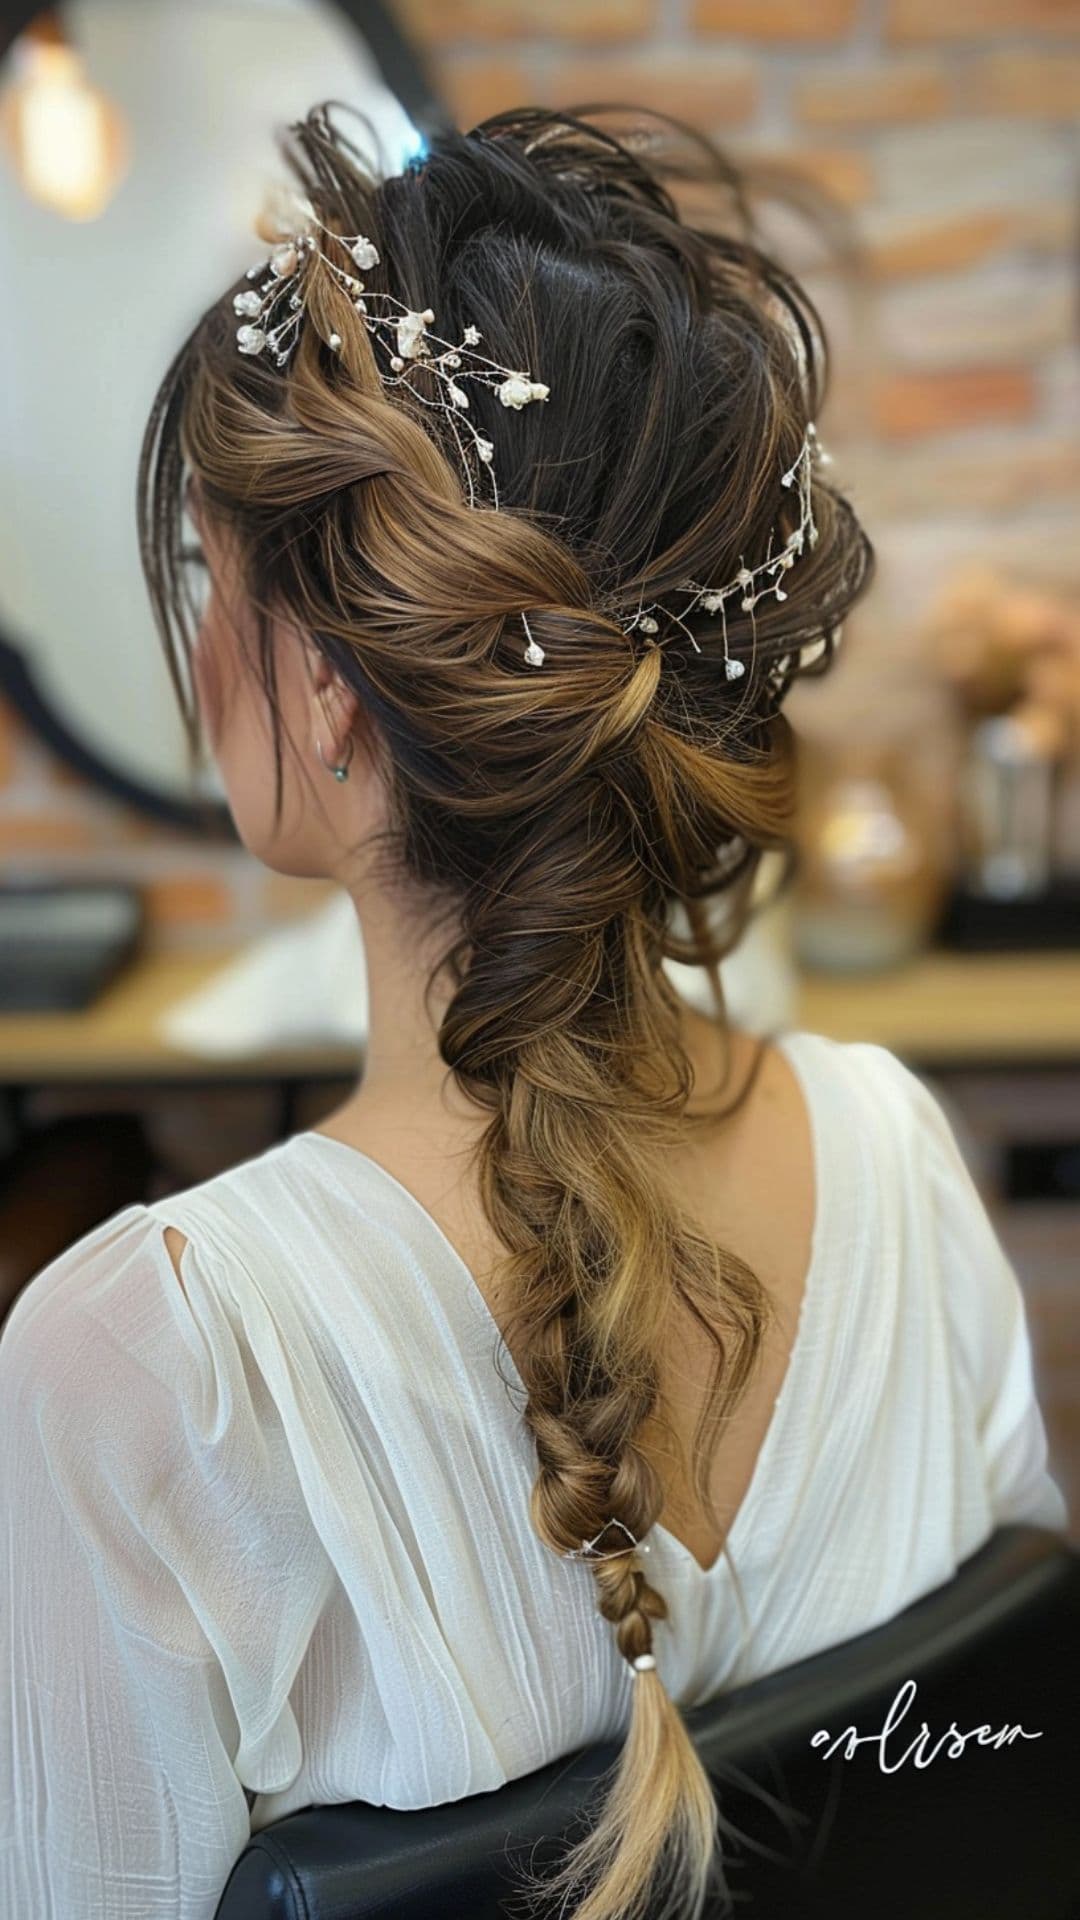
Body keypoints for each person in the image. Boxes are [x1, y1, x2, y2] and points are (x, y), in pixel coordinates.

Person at [0, 102, 1068, 1920]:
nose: (199, 652)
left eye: (213, 584)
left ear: (334, 696)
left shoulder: (137, 1369)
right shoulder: (900, 1152)